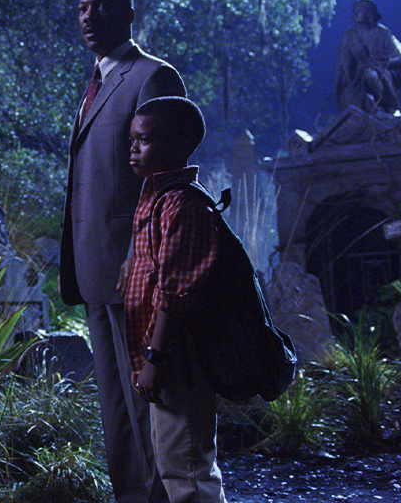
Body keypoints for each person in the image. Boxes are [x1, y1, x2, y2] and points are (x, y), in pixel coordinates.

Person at [59, 0, 185, 503]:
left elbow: (163, 179)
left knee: (150, 416)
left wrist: (149, 265)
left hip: (136, 274)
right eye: (83, 8)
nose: (89, 17)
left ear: (130, 15)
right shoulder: (92, 86)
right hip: (95, 274)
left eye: (102, 7)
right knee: (117, 417)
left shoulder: (152, 76)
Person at [124, 96, 225, 503]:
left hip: (177, 355)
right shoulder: (157, 200)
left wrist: (155, 359)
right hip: (163, 355)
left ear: (177, 145)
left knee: (187, 470)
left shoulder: (183, 205)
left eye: (144, 140)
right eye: (132, 139)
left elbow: (175, 293)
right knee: (173, 462)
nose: (133, 149)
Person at [336, 0, 401, 113]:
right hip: (357, 77)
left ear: (369, 12)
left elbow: (400, 60)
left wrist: (383, 64)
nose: (356, 13)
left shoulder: (382, 33)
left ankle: (388, 107)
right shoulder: (349, 35)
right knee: (350, 93)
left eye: (360, 10)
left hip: (380, 72)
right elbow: (343, 63)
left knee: (370, 76)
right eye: (355, 10)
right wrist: (339, 87)